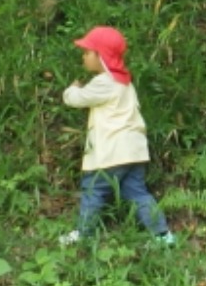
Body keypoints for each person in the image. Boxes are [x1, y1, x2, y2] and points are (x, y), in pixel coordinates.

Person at [56, 26, 176, 246]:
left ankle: (84, 234)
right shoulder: (124, 82)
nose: (84, 56)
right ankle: (162, 235)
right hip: (134, 152)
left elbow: (76, 99)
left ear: (101, 56)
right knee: (138, 193)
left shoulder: (105, 82)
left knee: (93, 190)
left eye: (87, 52)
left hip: (110, 153)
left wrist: (71, 89)